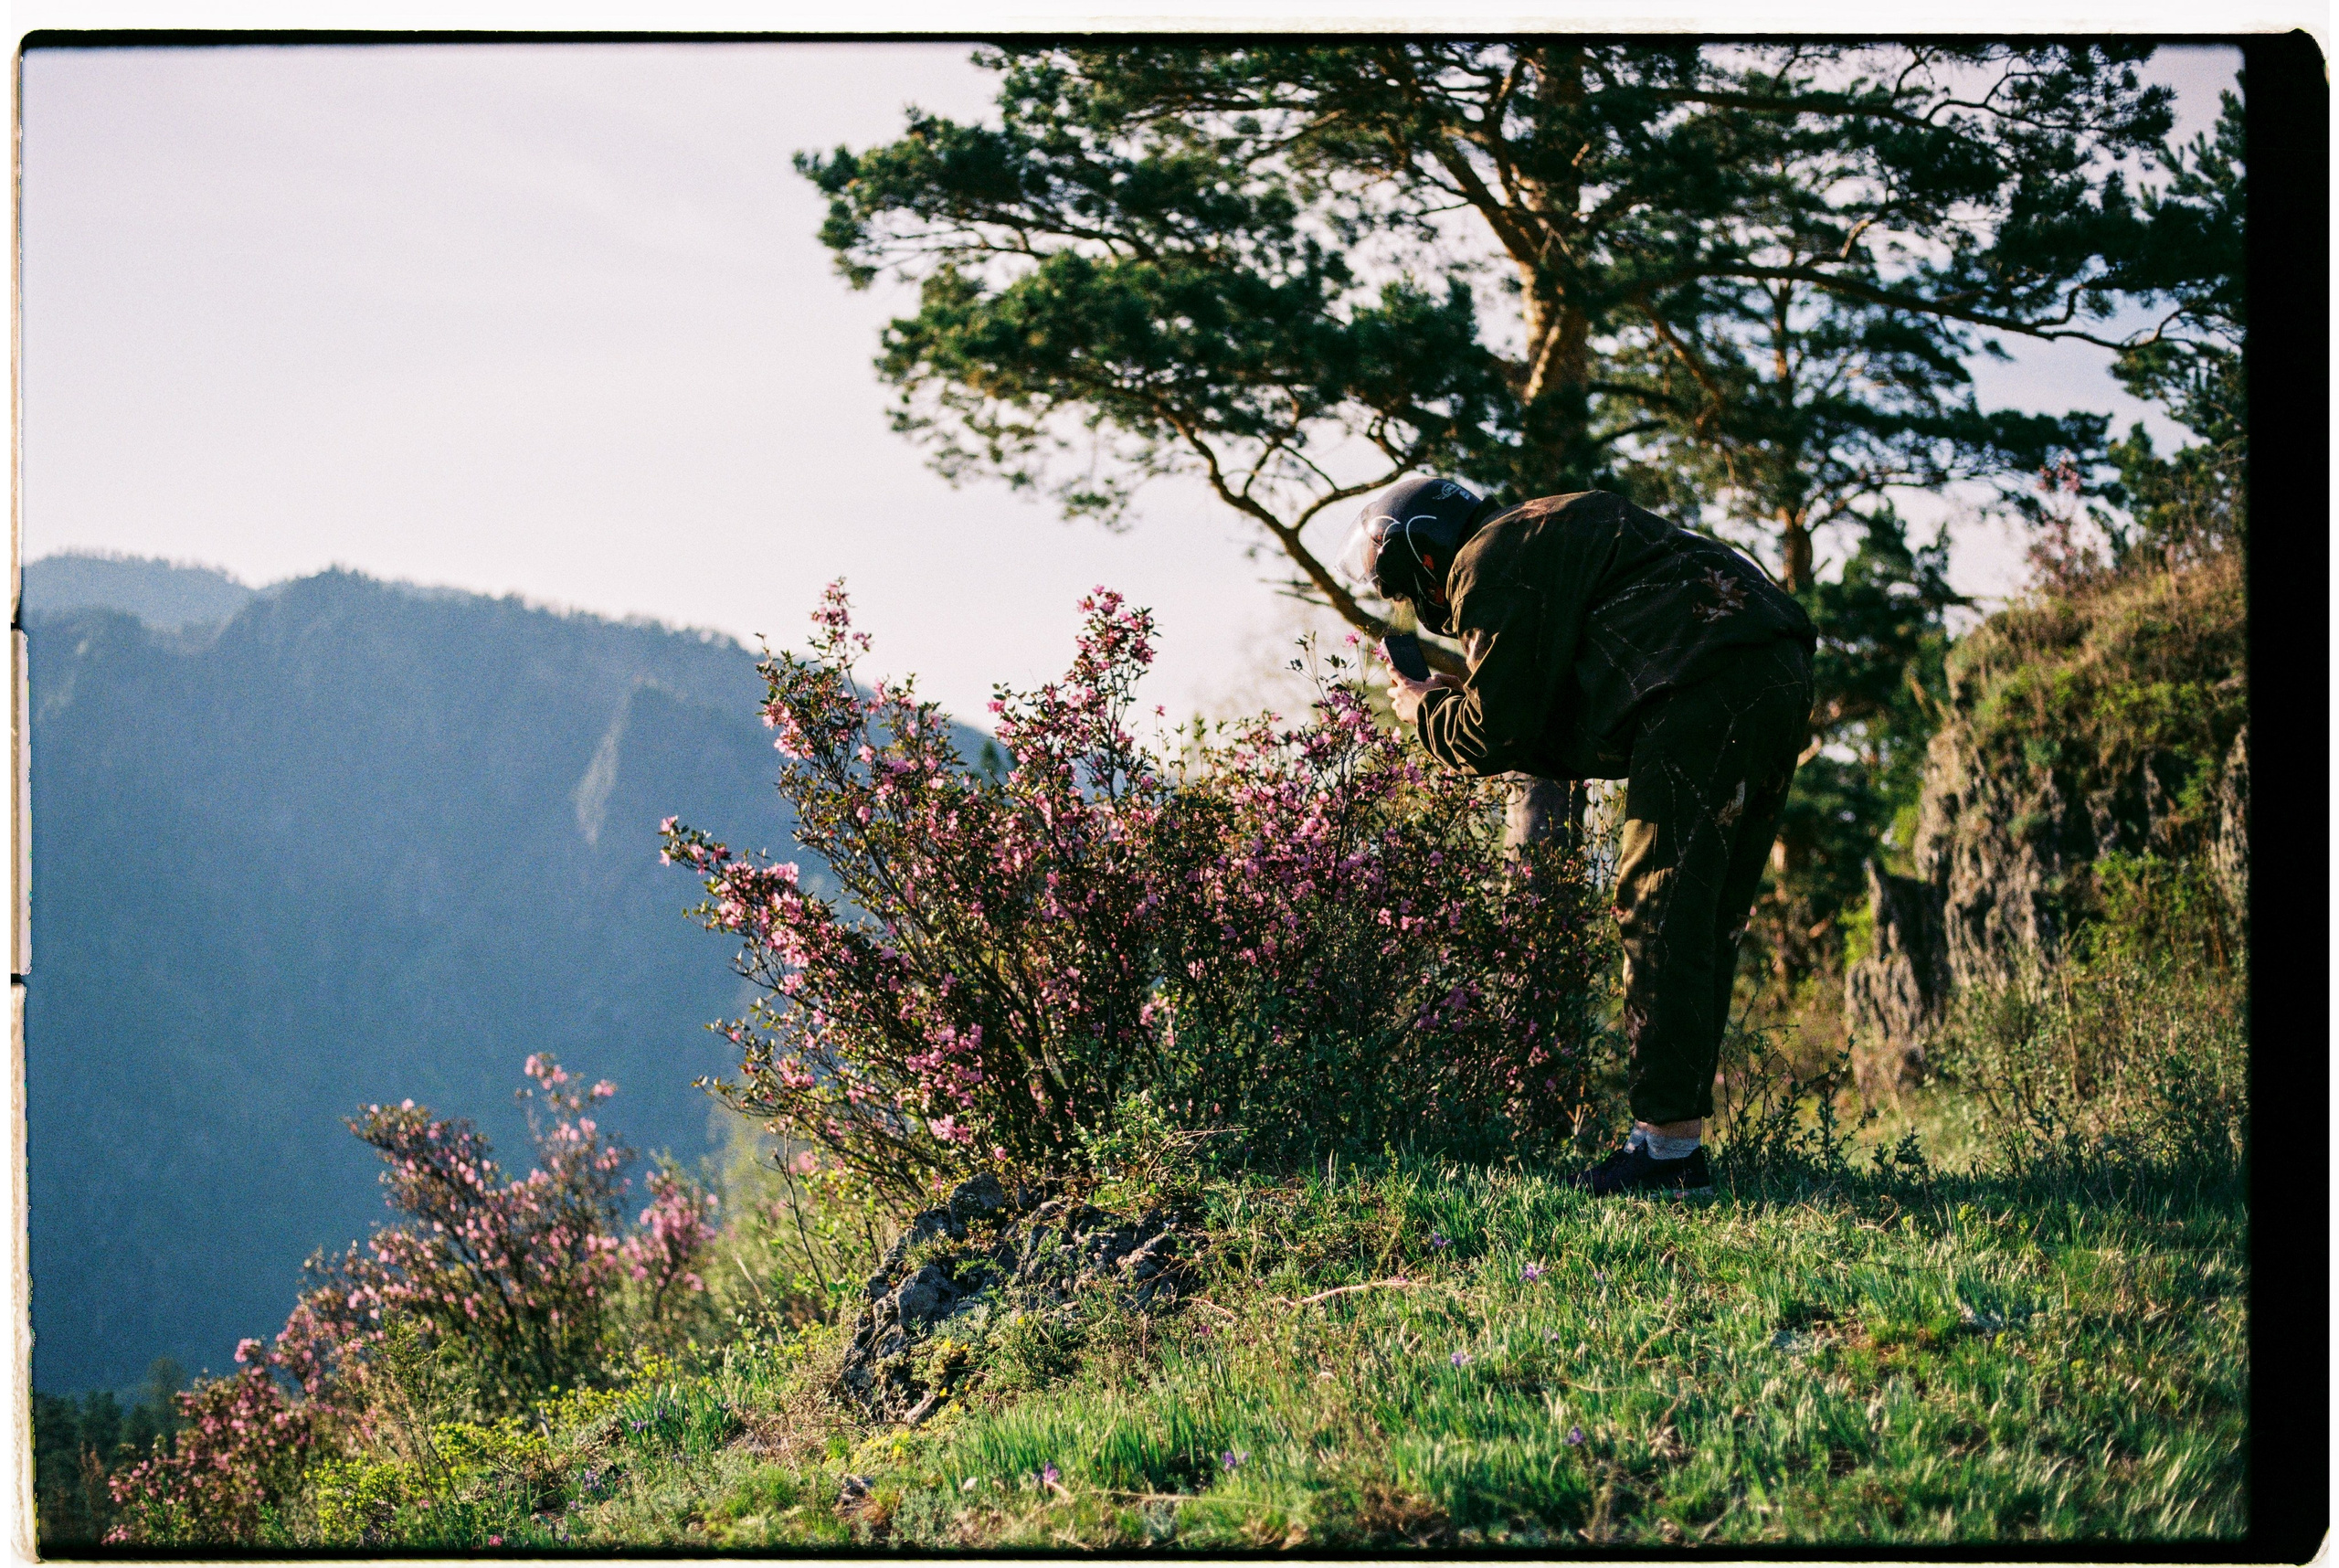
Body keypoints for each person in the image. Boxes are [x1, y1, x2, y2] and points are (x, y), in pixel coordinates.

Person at [1339, 476, 1817, 1197]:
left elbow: (1495, 730)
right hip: (1775, 659)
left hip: (1699, 675)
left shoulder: (1483, 560)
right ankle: (1674, 1143)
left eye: (1405, 592)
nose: (1419, 610)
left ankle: (1665, 1156)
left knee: (1657, 907)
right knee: (1705, 916)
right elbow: (1560, 692)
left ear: (1424, 562)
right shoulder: (1539, 528)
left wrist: (1420, 708)